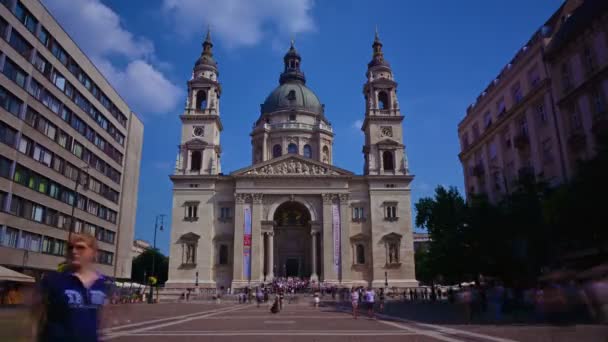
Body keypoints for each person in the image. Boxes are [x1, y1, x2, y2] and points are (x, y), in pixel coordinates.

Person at [32, 233, 109, 342]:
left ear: (94, 253)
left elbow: (102, 320)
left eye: (80, 247)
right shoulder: (53, 280)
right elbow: (36, 317)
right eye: (70, 247)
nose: (73, 251)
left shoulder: (102, 283)